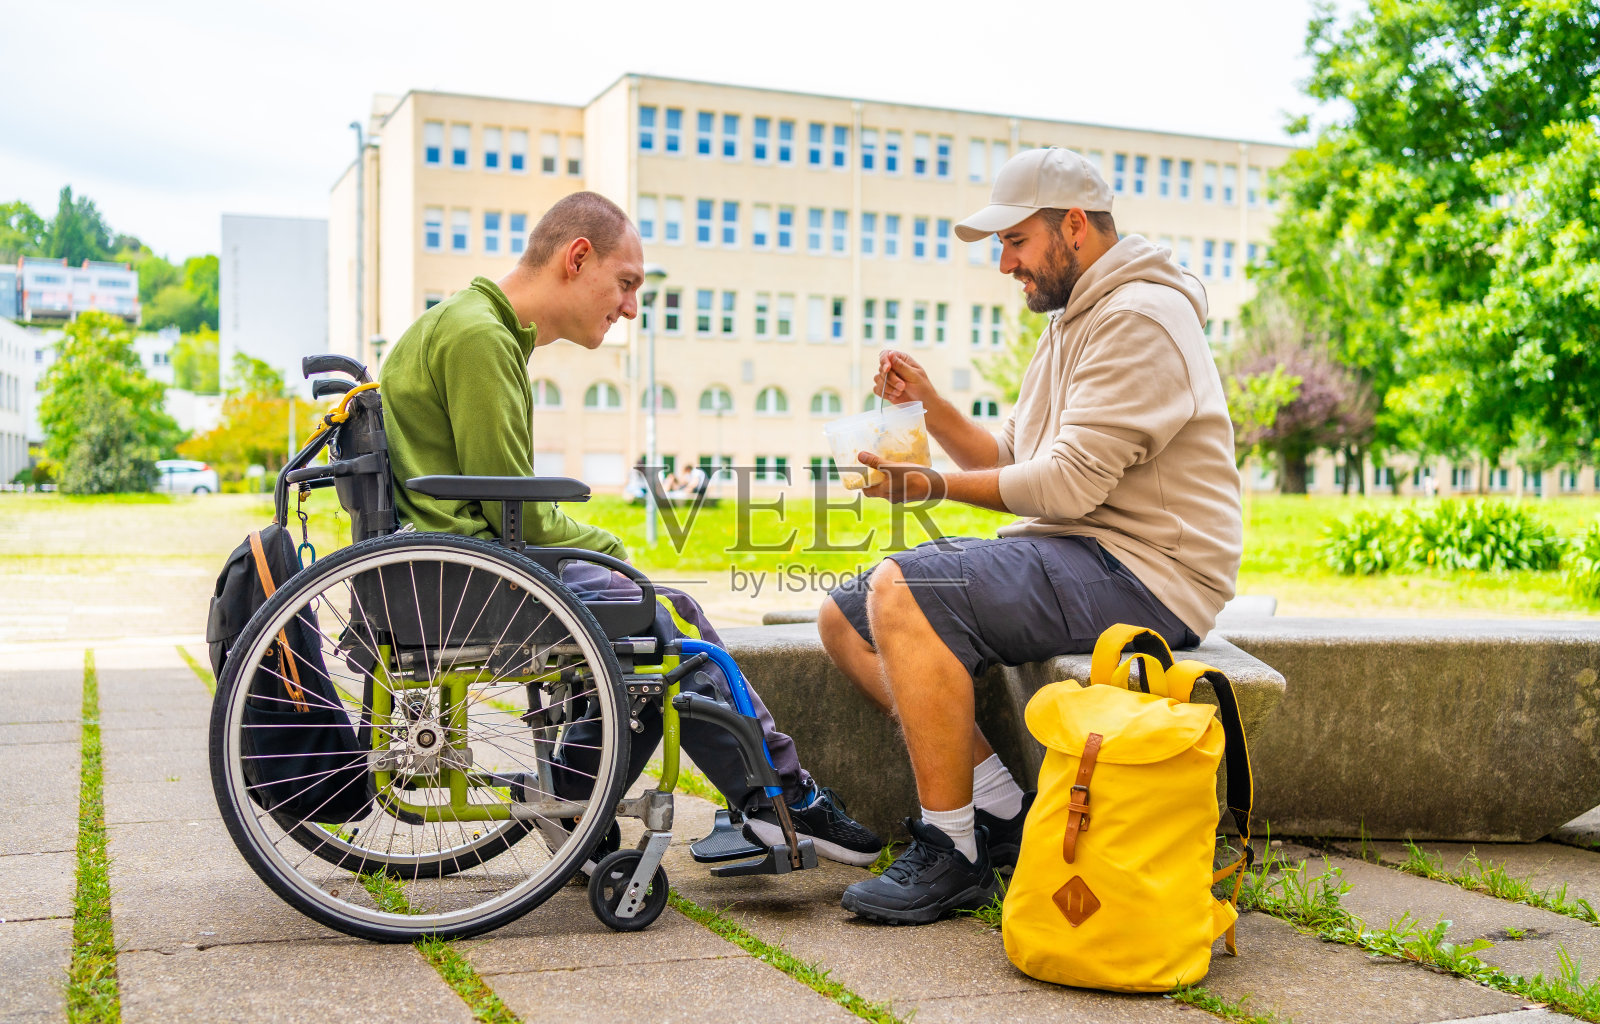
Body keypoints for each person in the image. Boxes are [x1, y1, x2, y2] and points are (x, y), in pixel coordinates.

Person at [378, 191, 882, 865]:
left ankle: (582, 792)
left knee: (658, 620)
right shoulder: (480, 336)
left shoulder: (468, 325)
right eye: (626, 283)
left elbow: (500, 499)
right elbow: (512, 508)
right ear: (576, 257)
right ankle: (778, 795)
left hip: (451, 570)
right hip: (474, 580)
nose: (630, 306)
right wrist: (614, 550)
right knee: (667, 617)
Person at [819, 148, 1243, 923]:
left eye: (1014, 242)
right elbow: (1013, 458)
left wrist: (927, 485)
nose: (1005, 263)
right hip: (1077, 548)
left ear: (1072, 226)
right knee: (843, 613)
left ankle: (954, 851)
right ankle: (1000, 805)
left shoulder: (1141, 317)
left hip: (1148, 571)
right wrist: (934, 406)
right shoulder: (1072, 319)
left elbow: (1067, 484)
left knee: (901, 588)